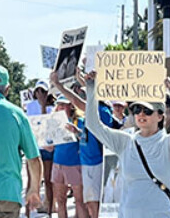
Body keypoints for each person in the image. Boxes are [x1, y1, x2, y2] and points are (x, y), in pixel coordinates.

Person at [84, 77, 170, 218]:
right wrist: (91, 89)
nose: (141, 114)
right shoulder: (125, 141)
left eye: (147, 110)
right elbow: (92, 125)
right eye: (137, 109)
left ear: (160, 116)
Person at [50, 67, 119, 218]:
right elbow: (91, 134)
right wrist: (80, 76)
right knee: (91, 205)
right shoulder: (100, 109)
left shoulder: (99, 109)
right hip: (91, 160)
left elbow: (75, 100)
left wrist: (58, 85)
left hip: (95, 162)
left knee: (93, 207)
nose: (84, 93)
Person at [0, 64, 42, 218]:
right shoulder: (17, 114)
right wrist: (34, 190)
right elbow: (33, 159)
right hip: (6, 193)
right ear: (7, 89)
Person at [23, 79, 56, 215]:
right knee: (32, 180)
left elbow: (46, 125)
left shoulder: (51, 108)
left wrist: (43, 106)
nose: (40, 93)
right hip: (34, 147)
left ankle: (49, 208)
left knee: (48, 180)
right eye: (38, 91)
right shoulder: (29, 106)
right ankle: (27, 211)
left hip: (47, 147)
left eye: (43, 91)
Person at [49, 96, 84, 218]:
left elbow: (86, 140)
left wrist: (76, 131)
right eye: (59, 104)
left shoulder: (79, 121)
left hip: (75, 164)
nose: (61, 107)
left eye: (64, 104)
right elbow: (50, 147)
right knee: (60, 200)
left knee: (79, 200)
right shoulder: (54, 123)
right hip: (58, 164)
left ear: (71, 106)